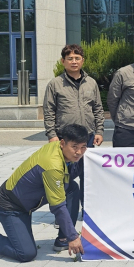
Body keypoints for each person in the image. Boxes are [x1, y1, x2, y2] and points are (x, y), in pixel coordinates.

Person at [0, 124, 88, 262]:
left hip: (26, 202)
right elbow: (57, 206)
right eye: (74, 147)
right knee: (26, 253)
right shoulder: (52, 165)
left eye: (83, 147)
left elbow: (68, 177)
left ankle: (63, 238)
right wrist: (73, 237)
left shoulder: (59, 149)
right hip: (10, 206)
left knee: (71, 187)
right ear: (63, 143)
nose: (79, 152)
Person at [43, 44, 104, 213]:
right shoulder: (55, 84)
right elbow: (49, 111)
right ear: (63, 61)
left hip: (87, 138)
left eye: (77, 58)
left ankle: (87, 211)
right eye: (70, 58)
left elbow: (98, 109)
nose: (74, 61)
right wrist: (52, 135)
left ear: (83, 61)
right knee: (63, 178)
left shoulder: (91, 83)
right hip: (65, 139)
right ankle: (63, 213)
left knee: (87, 176)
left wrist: (99, 131)